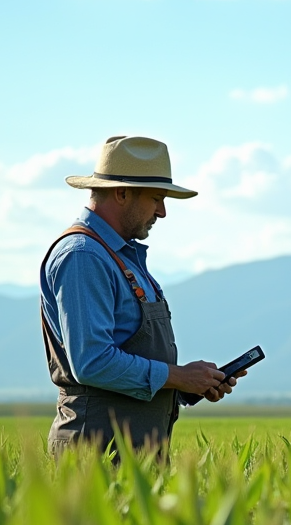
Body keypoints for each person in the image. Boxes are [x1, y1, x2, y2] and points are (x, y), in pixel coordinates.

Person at [40, 135, 242, 456]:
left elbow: (127, 366)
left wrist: (189, 385)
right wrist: (176, 375)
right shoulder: (83, 256)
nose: (162, 212)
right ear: (121, 193)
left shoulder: (119, 255)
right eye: (156, 198)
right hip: (96, 454)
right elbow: (92, 364)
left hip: (134, 454)